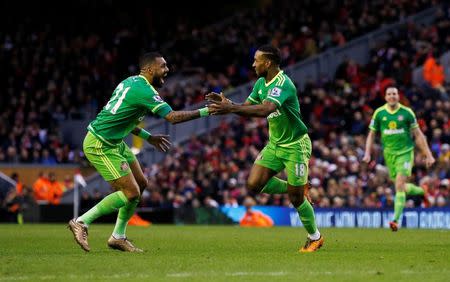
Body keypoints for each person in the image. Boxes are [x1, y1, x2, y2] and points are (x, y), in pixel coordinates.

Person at [68, 52, 211, 252]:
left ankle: (118, 236)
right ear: (149, 69)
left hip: (115, 142)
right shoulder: (144, 90)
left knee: (141, 184)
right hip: (100, 144)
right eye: (163, 66)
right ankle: (81, 222)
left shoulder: (130, 82)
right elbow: (172, 117)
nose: (167, 70)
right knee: (130, 192)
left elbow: (125, 119)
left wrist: (148, 137)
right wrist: (207, 111)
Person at [207, 45, 323, 253]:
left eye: (256, 60)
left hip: (296, 145)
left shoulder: (283, 84)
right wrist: (229, 104)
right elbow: (247, 107)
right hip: (275, 144)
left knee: (296, 199)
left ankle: (315, 237)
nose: (253, 64)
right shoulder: (261, 83)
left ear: (267, 63)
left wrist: (231, 108)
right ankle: (298, 186)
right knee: (253, 184)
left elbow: (266, 109)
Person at [363, 86, 435, 231]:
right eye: (389, 94)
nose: (392, 96)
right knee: (400, 187)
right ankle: (422, 191)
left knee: (400, 184)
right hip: (389, 154)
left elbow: (418, 135)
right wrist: (367, 153)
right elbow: (371, 134)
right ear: (385, 97)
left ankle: (395, 220)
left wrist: (428, 154)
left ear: (398, 96)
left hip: (406, 153)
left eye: (394, 94)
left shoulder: (407, 113)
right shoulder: (379, 113)